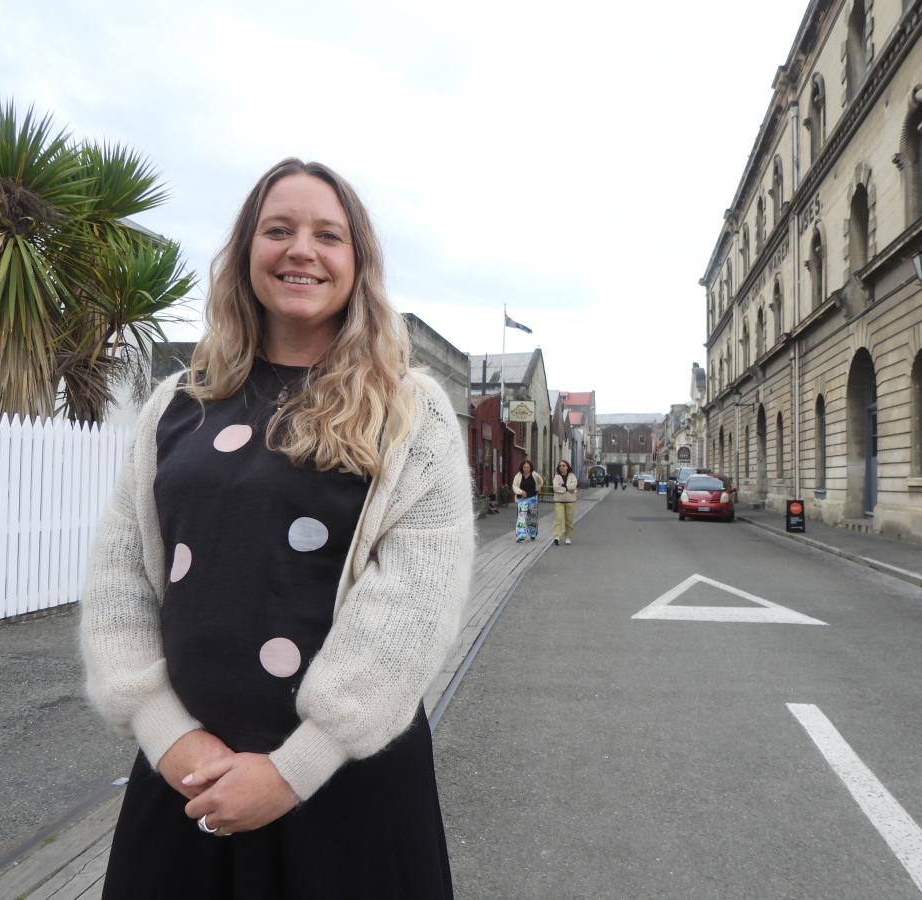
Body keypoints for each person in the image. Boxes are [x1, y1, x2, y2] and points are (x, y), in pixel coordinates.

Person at [79, 158, 474, 899]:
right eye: (278, 230)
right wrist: (172, 740)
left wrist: (292, 771)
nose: (302, 250)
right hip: (186, 780)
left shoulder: (411, 412)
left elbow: (413, 607)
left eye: (328, 234)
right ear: (245, 253)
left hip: (346, 788)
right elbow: (120, 580)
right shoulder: (176, 406)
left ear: (357, 263)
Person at [512, 459, 544, 542]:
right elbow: (514, 486)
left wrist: (538, 488)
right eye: (524, 467)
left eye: (527, 467)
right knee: (521, 518)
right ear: (522, 467)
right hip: (522, 499)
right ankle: (520, 536)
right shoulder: (518, 476)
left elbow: (541, 481)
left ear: (530, 468)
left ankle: (533, 534)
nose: (526, 469)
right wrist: (520, 491)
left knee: (532, 517)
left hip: (532, 498)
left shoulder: (534, 474)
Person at [551, 459, 578, 545]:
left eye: (563, 466)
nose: (561, 467)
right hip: (559, 501)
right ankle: (557, 536)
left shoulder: (572, 476)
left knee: (569, 520)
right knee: (559, 518)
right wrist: (567, 489)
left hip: (570, 501)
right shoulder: (556, 476)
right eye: (560, 466)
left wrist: (563, 487)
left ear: (567, 467)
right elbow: (555, 487)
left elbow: (574, 486)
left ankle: (568, 537)